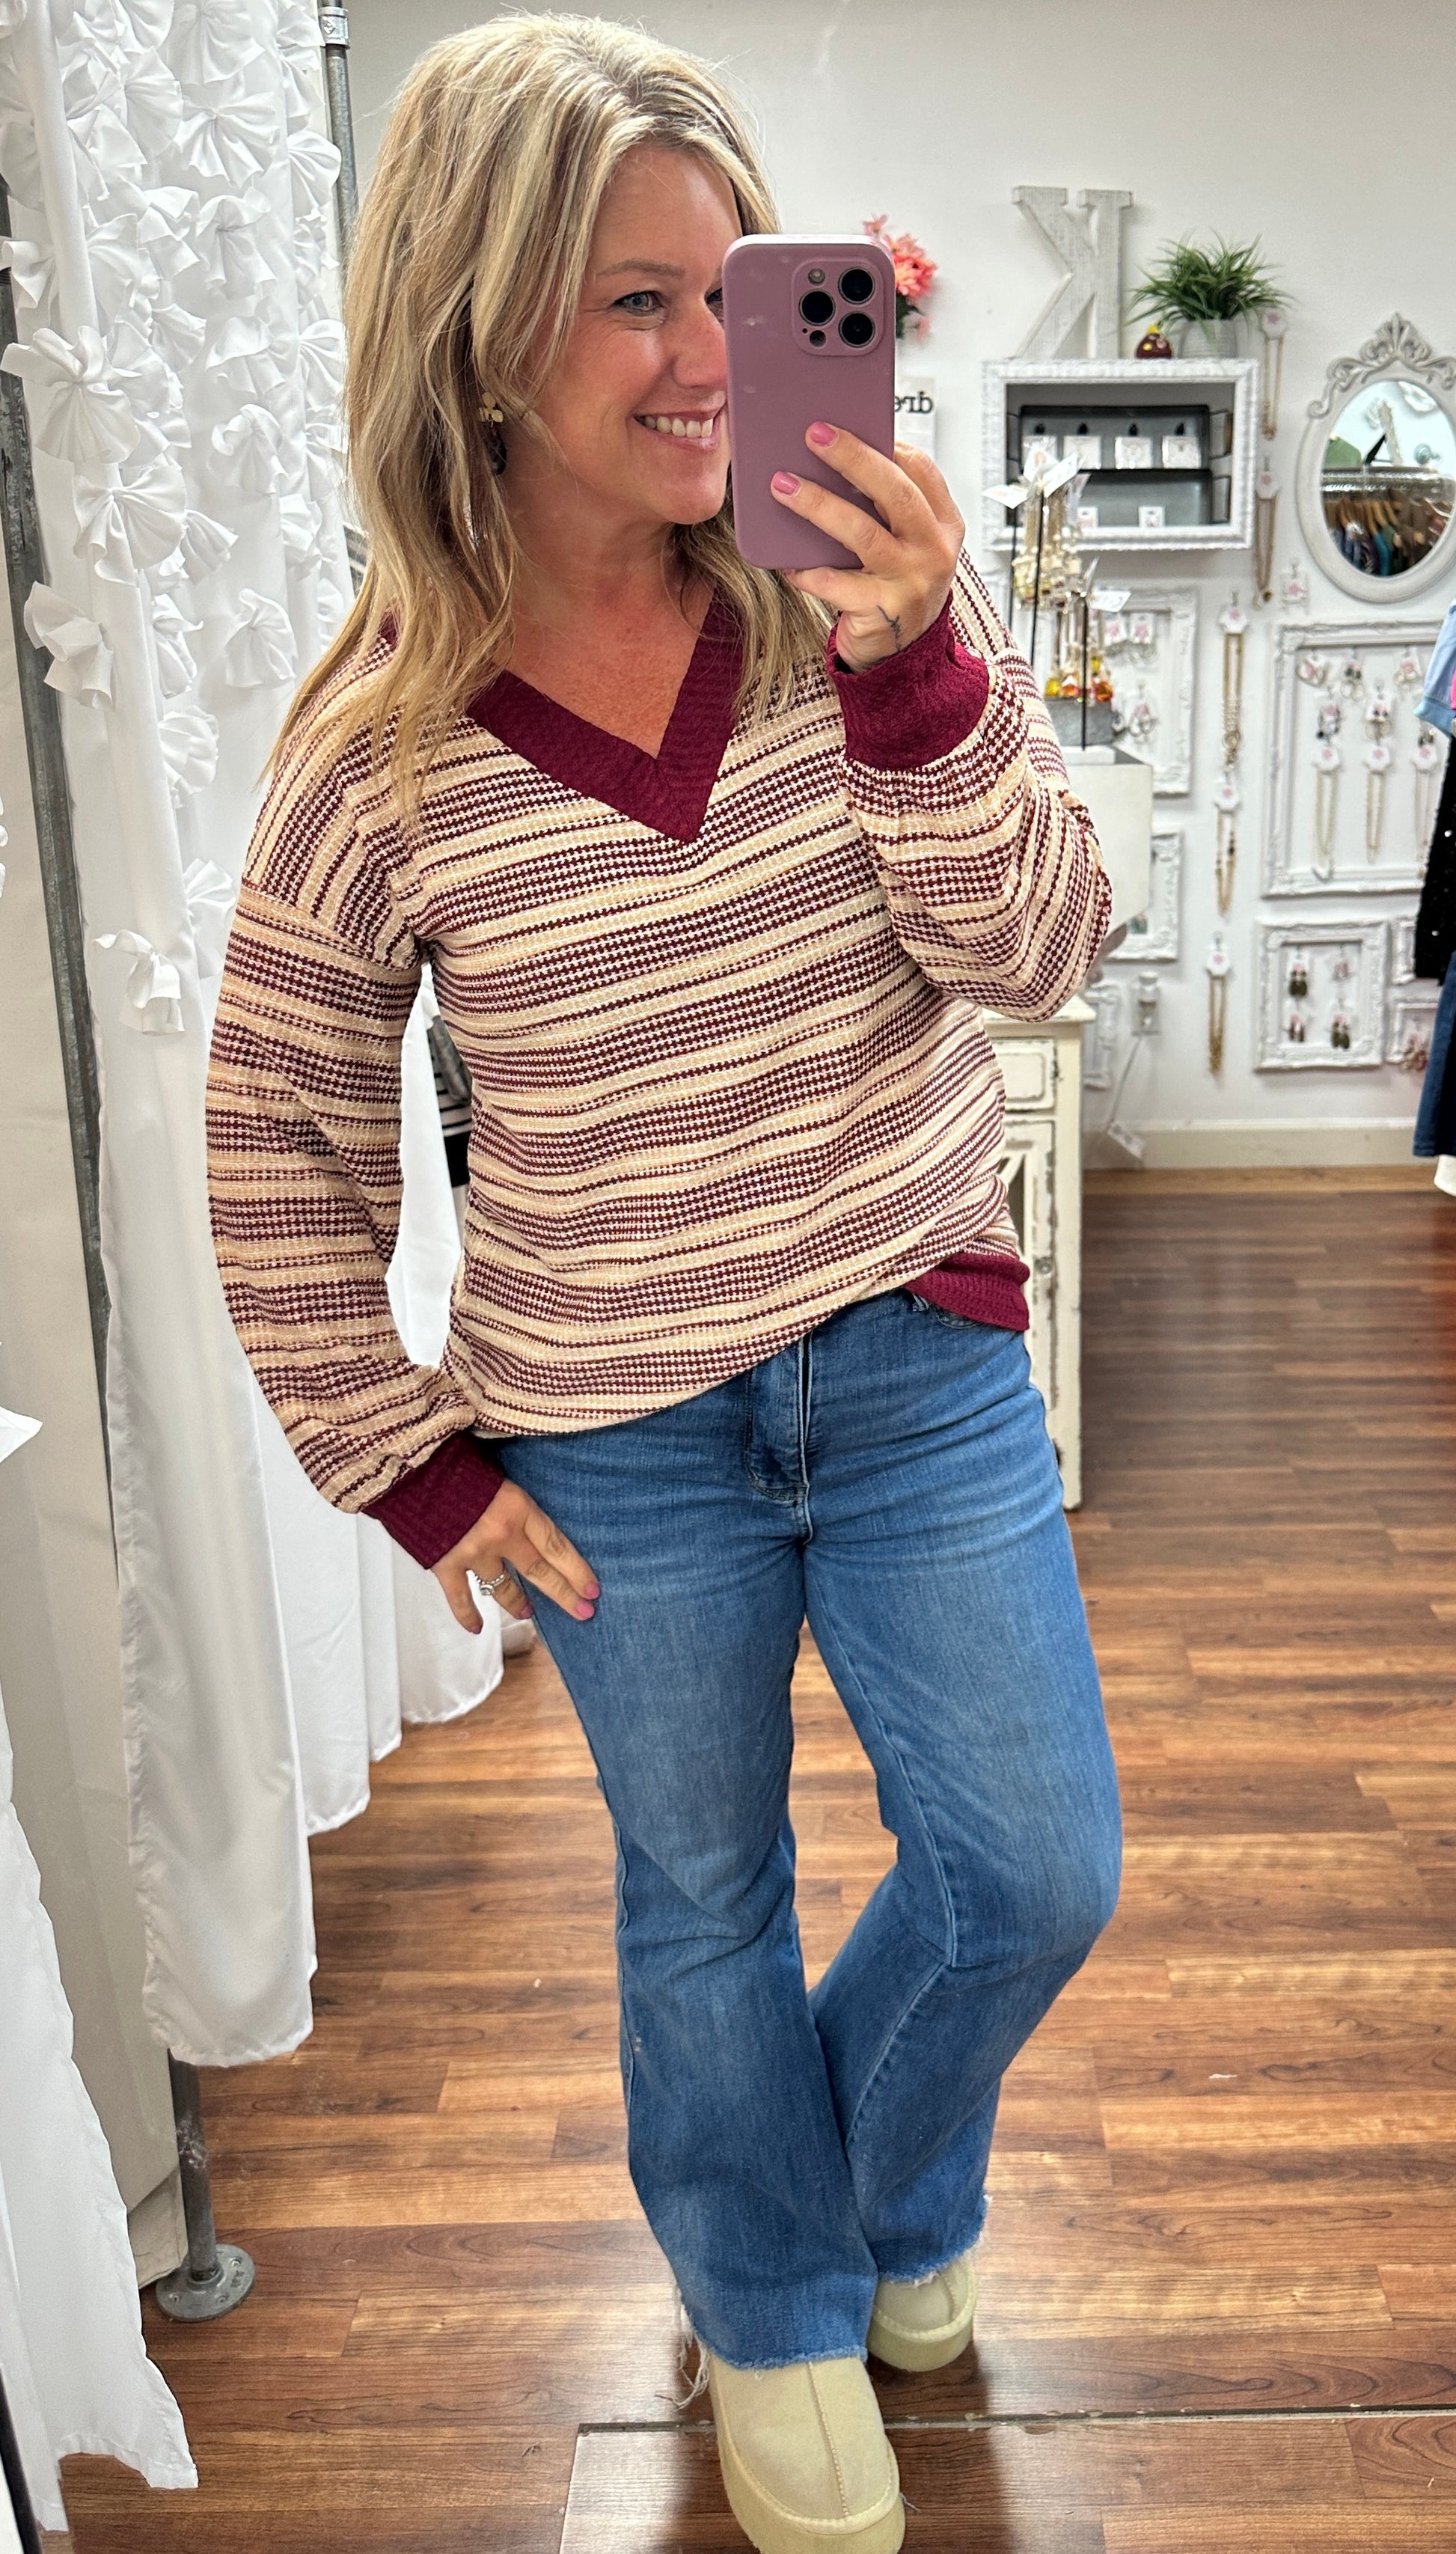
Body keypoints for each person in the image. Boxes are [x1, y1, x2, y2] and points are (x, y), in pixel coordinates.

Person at [206, 18, 1122, 2551]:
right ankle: (770, 2300)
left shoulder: (866, 607)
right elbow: (274, 1132)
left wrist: (917, 668)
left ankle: (863, 2203)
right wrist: (403, 1461)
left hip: (915, 1362)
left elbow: (1041, 951)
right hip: (616, 1438)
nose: (711, 356)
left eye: (742, 290)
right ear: (479, 332)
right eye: (636, 299)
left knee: (1031, 1870)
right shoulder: (376, 747)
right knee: (700, 1899)